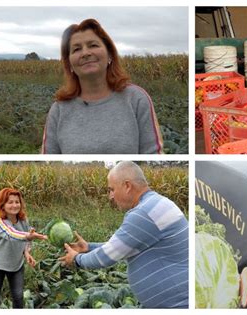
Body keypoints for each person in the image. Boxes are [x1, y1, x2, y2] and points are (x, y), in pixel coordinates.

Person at [59, 161, 188, 308]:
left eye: (112, 189)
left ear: (127, 186)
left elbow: (105, 257)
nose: (110, 196)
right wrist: (89, 247)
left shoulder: (143, 213)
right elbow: (124, 246)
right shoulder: (156, 203)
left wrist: (76, 259)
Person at [42, 19, 163, 154]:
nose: (85, 53)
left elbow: (153, 153)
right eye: (77, 49)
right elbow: (48, 159)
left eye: (93, 45)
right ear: (69, 62)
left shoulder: (136, 99)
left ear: (109, 53)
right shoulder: (59, 110)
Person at [0, 188, 47, 308]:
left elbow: (26, 239)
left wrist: (27, 253)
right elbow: (11, 234)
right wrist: (29, 236)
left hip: (16, 266)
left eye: (17, 202)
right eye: (10, 202)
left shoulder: (23, 220)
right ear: (2, 204)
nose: (14, 205)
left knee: (18, 297)